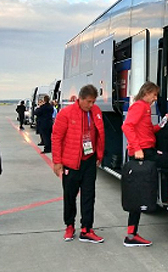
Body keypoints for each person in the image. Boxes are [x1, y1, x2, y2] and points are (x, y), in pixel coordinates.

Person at [121, 81, 168, 247]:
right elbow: (127, 126)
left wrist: (163, 122)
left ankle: (131, 234)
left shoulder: (144, 107)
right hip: (143, 152)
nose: (155, 98)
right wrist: (137, 148)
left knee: (137, 192)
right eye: (154, 94)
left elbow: (148, 130)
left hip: (145, 150)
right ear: (147, 92)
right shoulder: (140, 106)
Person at [52, 85, 105, 243]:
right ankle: (69, 225)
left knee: (89, 195)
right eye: (88, 101)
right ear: (80, 99)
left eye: (93, 102)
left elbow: (100, 134)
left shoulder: (95, 112)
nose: (91, 105)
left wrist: (99, 155)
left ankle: (86, 229)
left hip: (89, 160)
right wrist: (57, 162)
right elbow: (56, 138)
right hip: (71, 162)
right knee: (70, 196)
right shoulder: (66, 114)